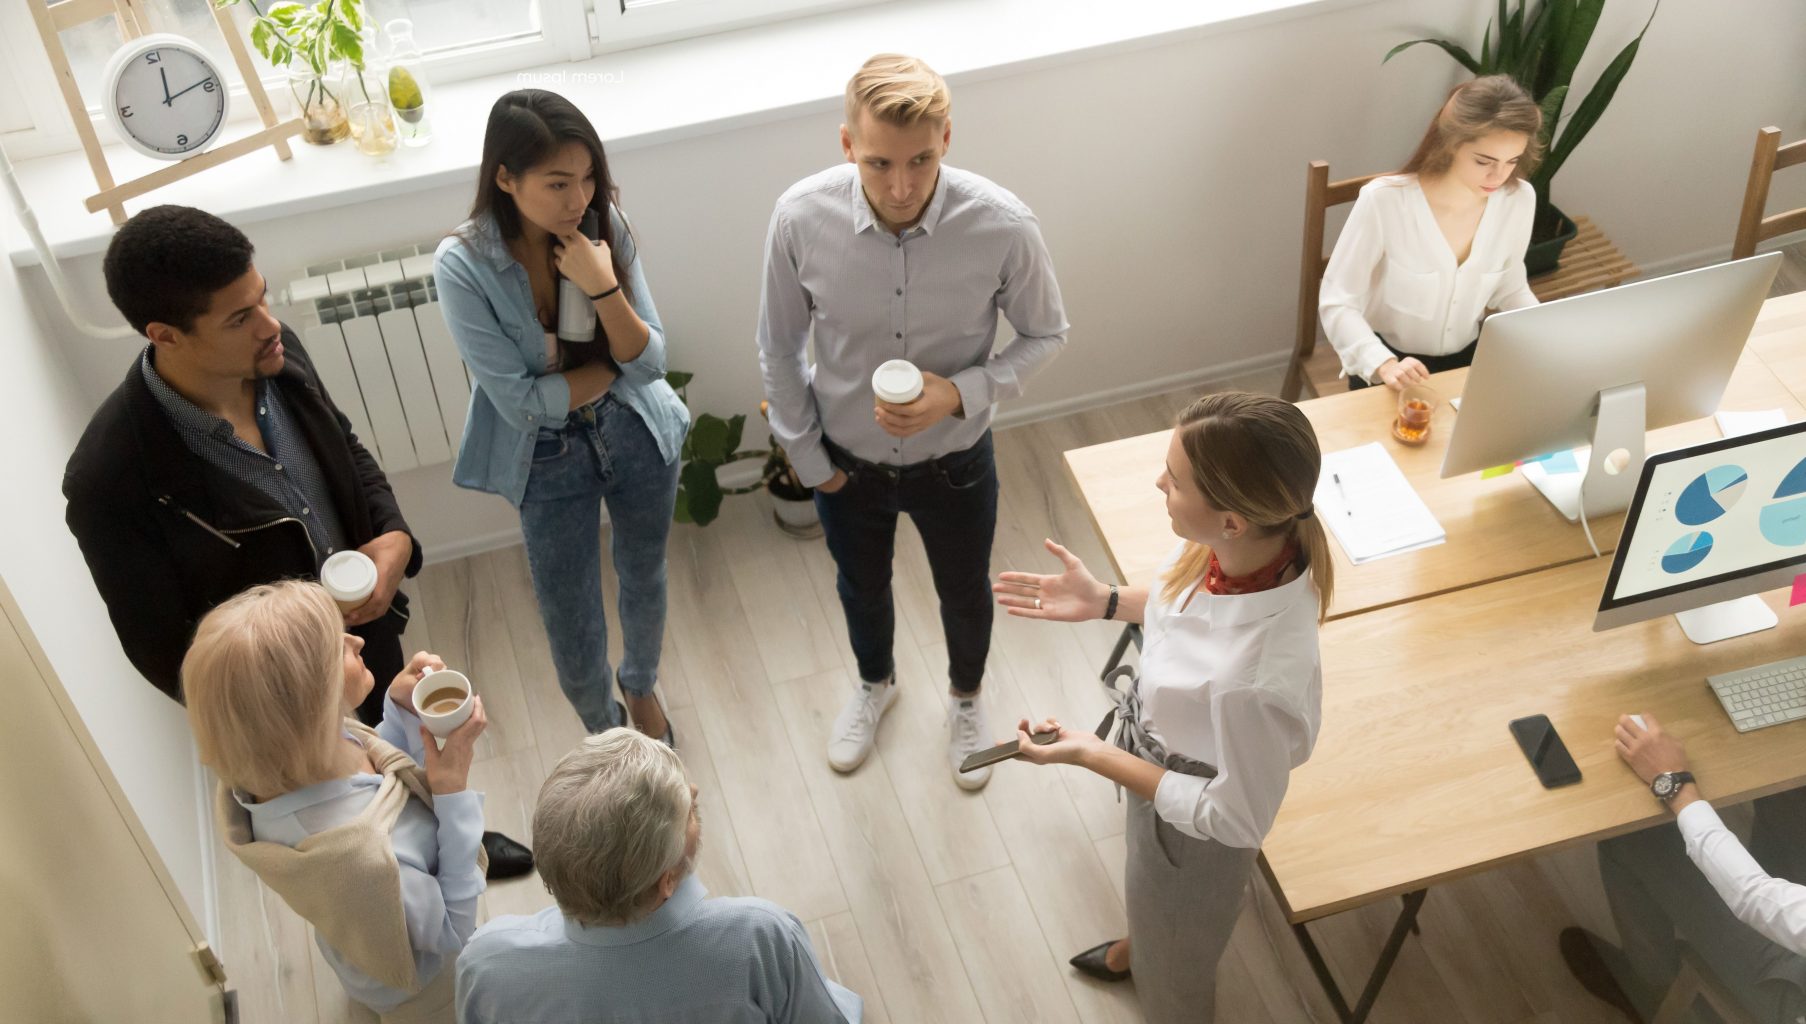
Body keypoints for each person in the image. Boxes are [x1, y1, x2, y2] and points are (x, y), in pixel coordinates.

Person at [64, 205, 532, 879]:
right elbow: (163, 651)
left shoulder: (276, 355)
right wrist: (296, 689)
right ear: (165, 335)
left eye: (263, 299)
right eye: (238, 317)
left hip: (367, 636)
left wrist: (394, 537)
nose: (269, 324)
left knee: (405, 757)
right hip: (292, 710)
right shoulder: (112, 481)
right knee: (360, 854)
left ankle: (456, 845)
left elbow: (345, 447)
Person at [757, 53, 1069, 789]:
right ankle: (876, 683)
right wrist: (809, 462)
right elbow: (777, 347)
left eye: (922, 160)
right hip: (845, 464)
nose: (901, 186)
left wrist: (959, 392)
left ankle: (966, 699)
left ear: (948, 139)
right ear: (846, 145)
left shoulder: (1002, 225)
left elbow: (1047, 334)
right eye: (878, 163)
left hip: (956, 462)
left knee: (963, 591)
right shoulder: (800, 218)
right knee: (859, 587)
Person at [991, 391, 1332, 1024]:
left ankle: (1161, 963)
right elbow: (1190, 615)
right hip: (1160, 758)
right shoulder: (1250, 550)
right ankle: (1146, 942)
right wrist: (1106, 600)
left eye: (1174, 481)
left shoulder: (1249, 684)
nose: (1158, 483)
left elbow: (1234, 822)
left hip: (1193, 820)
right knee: (1150, 894)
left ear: (1232, 518)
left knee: (1176, 964)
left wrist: (1090, 752)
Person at [436, 90, 687, 744]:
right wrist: (609, 368)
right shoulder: (463, 266)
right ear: (505, 177)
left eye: (587, 178)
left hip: (635, 428)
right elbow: (519, 404)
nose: (578, 200)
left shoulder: (608, 228)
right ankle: (610, 737)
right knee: (571, 622)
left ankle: (639, 682)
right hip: (545, 459)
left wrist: (602, 285)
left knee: (644, 574)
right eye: (556, 183)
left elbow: (653, 359)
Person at [186, 580, 489, 1023]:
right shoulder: (363, 855)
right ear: (311, 704)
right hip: (428, 992)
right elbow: (451, 932)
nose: (357, 639)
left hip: (360, 951)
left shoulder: (273, 773)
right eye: (338, 647)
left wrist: (398, 713)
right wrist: (451, 791)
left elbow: (367, 773)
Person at [454, 728, 863, 1023]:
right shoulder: (759, 939)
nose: (695, 792)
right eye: (685, 811)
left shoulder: (487, 964)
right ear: (666, 881)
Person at [1560, 713, 1806, 1023]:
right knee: (1793, 794)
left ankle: (1649, 990)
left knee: (1637, 838)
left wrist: (1673, 781)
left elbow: (1754, 896)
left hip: (1794, 989)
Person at [1319, 74, 1544, 391]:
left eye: (1512, 161)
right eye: (1484, 161)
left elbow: (1509, 288)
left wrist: (1550, 333)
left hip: (1471, 364)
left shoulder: (1518, 199)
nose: (1499, 175)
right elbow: (1337, 302)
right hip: (1391, 366)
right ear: (1451, 144)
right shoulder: (1386, 201)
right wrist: (1383, 364)